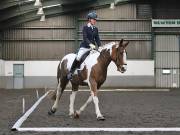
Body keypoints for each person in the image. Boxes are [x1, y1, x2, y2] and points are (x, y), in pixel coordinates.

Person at [67, 12, 101, 80]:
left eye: (95, 19)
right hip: (85, 47)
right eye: (93, 19)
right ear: (89, 20)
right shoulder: (85, 28)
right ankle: (71, 72)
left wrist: (100, 46)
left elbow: (97, 38)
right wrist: (90, 44)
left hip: (92, 48)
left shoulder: (96, 29)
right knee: (78, 57)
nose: (95, 21)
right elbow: (85, 38)